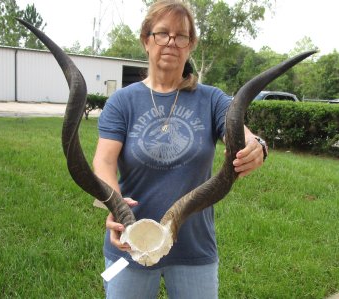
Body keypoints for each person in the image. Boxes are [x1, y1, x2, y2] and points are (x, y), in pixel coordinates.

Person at [93, 1, 267, 298]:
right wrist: (115, 207)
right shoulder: (122, 102)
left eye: (181, 36)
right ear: (146, 40)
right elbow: (104, 161)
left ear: (191, 45)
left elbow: (242, 134)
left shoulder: (211, 99)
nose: (171, 42)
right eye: (162, 33)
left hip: (193, 247)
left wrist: (257, 146)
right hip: (130, 242)